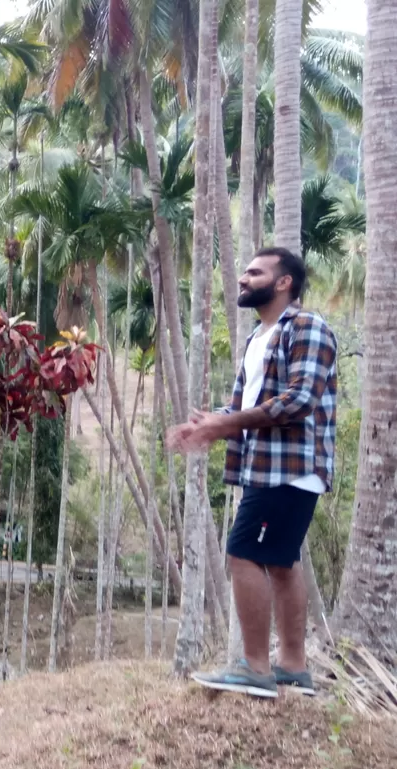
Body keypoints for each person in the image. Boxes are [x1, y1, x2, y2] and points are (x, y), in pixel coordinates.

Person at [168, 247, 337, 699]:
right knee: (281, 562)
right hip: (266, 468)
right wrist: (207, 425)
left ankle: (256, 669)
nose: (243, 278)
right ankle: (293, 668)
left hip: (291, 467)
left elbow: (300, 400)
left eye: (254, 272)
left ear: (284, 282)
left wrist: (228, 423)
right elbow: (243, 408)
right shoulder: (257, 339)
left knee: (244, 552)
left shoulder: (307, 327)